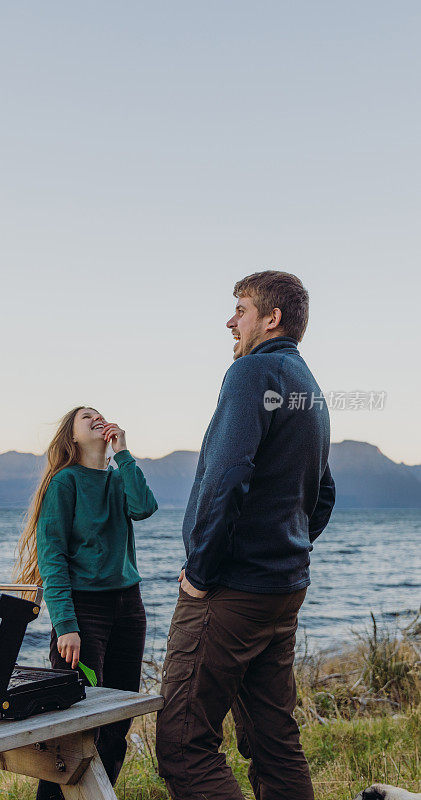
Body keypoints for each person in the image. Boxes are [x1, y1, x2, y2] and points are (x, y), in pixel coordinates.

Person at [155, 271, 336, 800]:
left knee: (184, 747)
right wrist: (287, 548)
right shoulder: (310, 389)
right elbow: (323, 491)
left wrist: (201, 574)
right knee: (274, 739)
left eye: (240, 308)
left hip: (230, 590)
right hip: (281, 589)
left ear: (271, 318)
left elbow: (226, 476)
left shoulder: (252, 372)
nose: (230, 320)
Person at [15, 406, 158, 792]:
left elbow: (144, 507)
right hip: (84, 612)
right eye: (85, 417)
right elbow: (52, 557)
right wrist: (66, 624)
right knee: (71, 726)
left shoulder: (117, 478)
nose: (97, 418)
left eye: (100, 414)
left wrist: (123, 452)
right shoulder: (64, 483)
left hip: (130, 608)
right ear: (72, 437)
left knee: (116, 721)